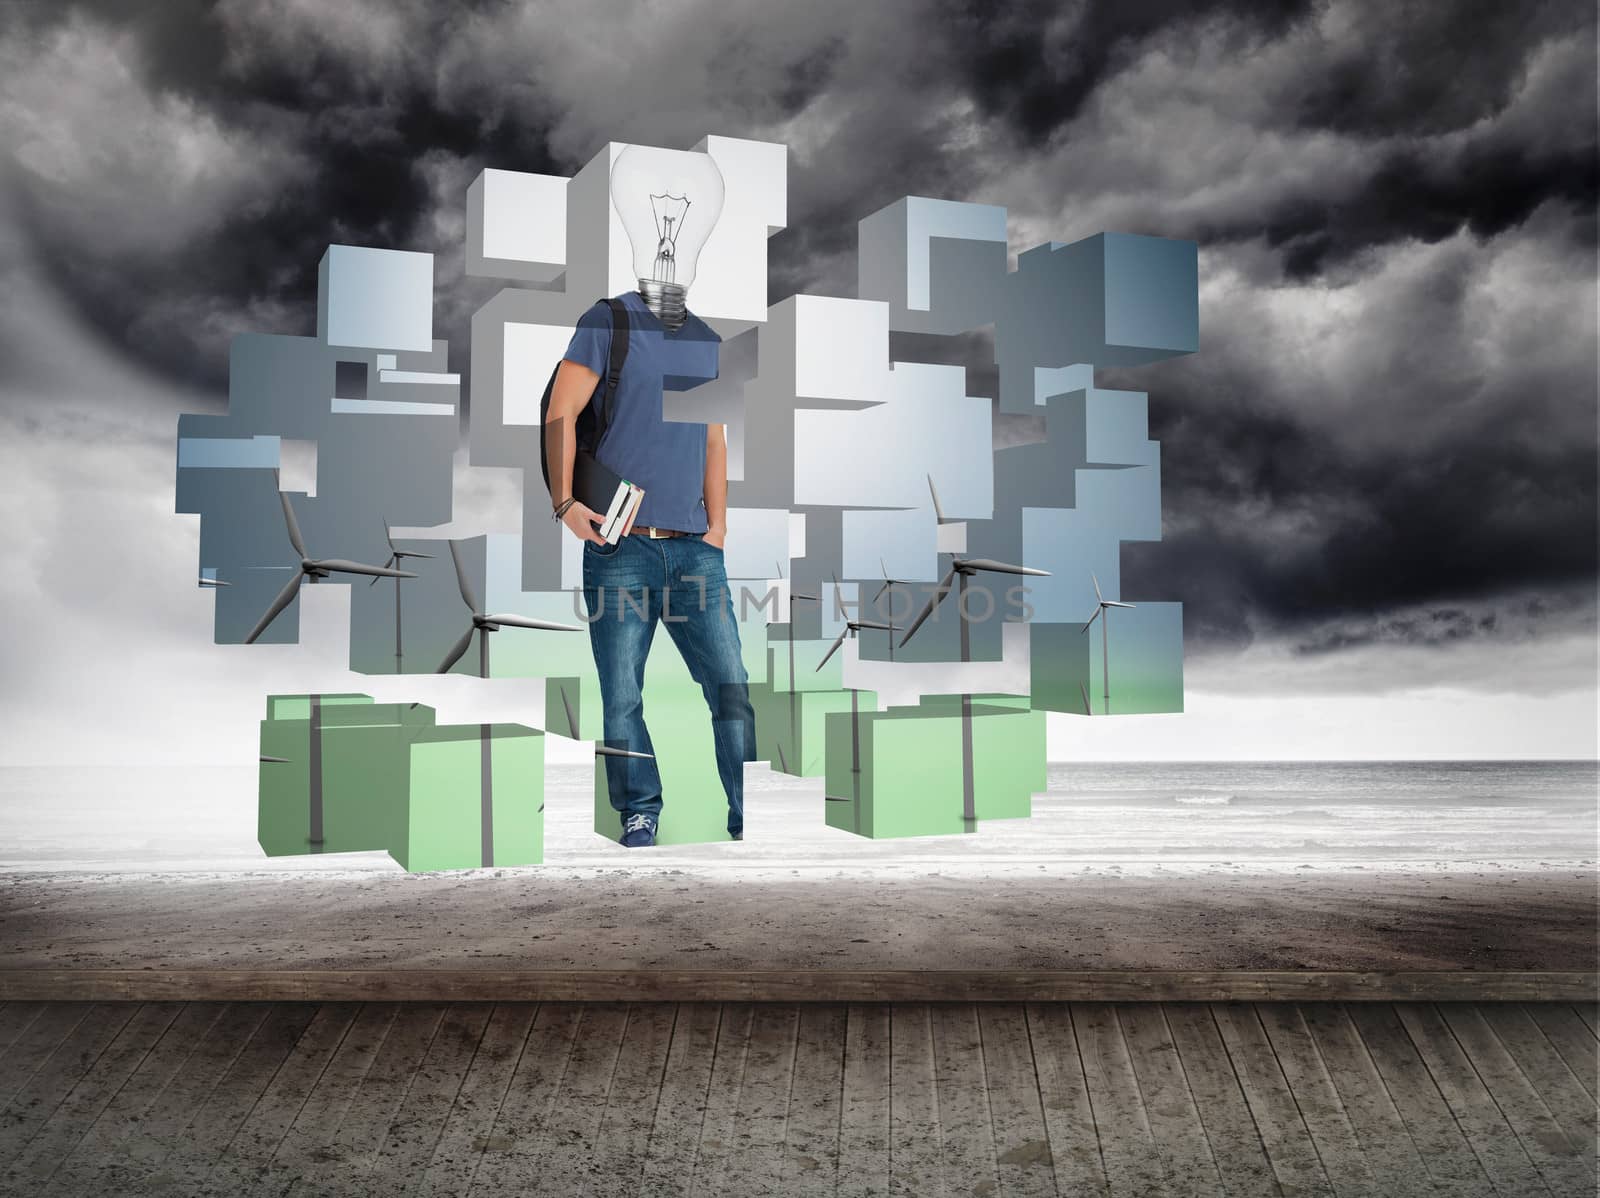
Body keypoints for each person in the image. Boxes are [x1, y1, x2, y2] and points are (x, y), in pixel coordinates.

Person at [547, 289, 757, 847]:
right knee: (621, 695)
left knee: (730, 687)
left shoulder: (709, 340)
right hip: (620, 548)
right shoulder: (607, 322)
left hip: (695, 550)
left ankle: (745, 812)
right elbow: (561, 413)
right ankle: (639, 811)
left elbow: (714, 439)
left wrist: (717, 531)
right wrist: (565, 503)